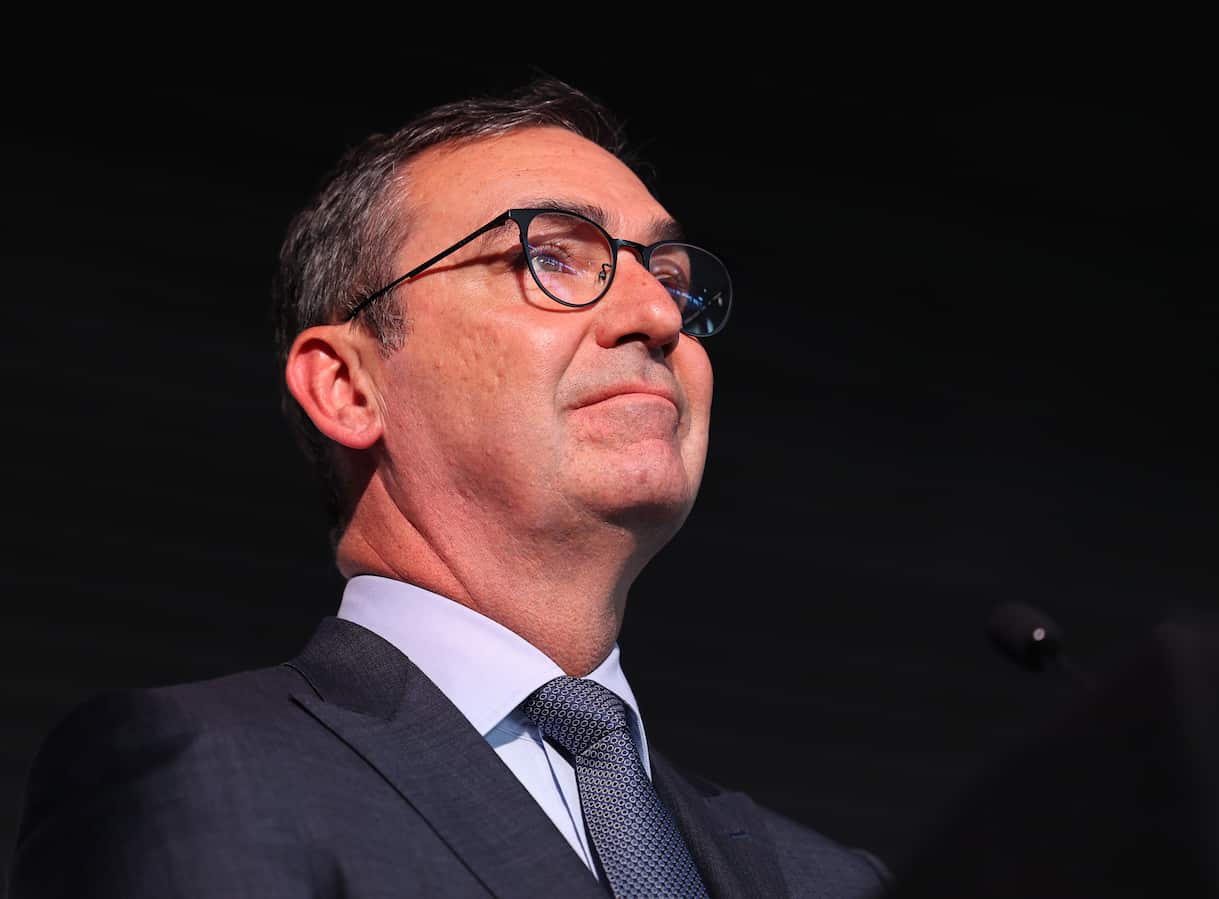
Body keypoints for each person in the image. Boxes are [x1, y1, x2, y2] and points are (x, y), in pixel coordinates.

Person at [10, 79, 890, 898]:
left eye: (670, 280)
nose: (659, 316)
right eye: (553, 256)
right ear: (349, 387)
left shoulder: (830, 880)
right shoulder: (200, 771)